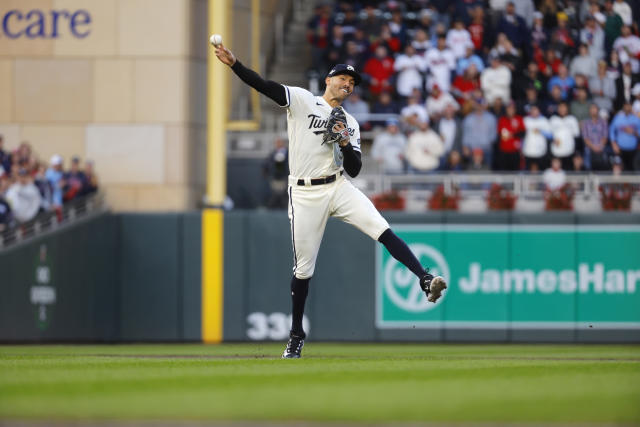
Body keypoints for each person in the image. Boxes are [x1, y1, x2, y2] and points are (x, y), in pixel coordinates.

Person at [213, 46, 447, 359]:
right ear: (328, 79)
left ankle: (424, 278)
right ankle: (296, 334)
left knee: (382, 228)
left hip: (338, 186)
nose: (348, 84)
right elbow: (263, 85)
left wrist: (346, 141)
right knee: (303, 269)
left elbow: (354, 169)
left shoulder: (351, 122)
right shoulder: (302, 99)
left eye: (352, 82)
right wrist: (235, 65)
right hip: (305, 193)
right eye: (343, 78)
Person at [609, 101, 640, 171]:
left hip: (633, 151)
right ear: (623, 106)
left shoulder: (636, 119)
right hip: (620, 150)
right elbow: (611, 131)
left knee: (633, 170)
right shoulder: (618, 118)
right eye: (626, 105)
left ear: (631, 107)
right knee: (619, 169)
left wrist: (634, 132)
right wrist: (613, 144)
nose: (627, 107)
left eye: (629, 105)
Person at [581, 103, 610, 171]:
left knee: (605, 156)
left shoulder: (603, 122)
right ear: (589, 111)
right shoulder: (585, 123)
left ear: (598, 110)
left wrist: (599, 146)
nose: (593, 110)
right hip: (590, 147)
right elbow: (585, 138)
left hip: (601, 146)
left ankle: (604, 173)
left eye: (595, 109)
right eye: (592, 109)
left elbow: (605, 136)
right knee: (587, 154)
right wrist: (594, 147)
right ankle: (588, 172)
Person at [263, 138, 289, 209]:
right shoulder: (273, 153)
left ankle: (285, 208)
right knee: (275, 194)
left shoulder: (288, 153)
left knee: (285, 195)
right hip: (275, 177)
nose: (278, 144)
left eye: (279, 142)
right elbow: (267, 164)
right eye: (277, 143)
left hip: (285, 177)